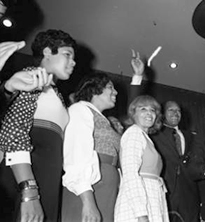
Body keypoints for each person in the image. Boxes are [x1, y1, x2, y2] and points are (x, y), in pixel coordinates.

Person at [0, 29, 77, 222]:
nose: (73, 62)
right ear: (46, 52)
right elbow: (14, 130)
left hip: (47, 175)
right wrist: (29, 191)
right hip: (26, 174)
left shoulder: (56, 94)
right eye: (67, 55)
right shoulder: (30, 77)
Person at [61, 50, 145, 222]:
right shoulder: (80, 110)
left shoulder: (104, 120)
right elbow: (77, 155)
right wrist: (88, 202)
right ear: (94, 89)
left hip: (106, 185)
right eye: (110, 87)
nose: (115, 92)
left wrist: (137, 76)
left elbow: (133, 119)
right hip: (89, 188)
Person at [114, 95, 169, 222]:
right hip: (139, 202)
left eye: (153, 110)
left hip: (151, 198)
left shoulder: (144, 137)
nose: (149, 113)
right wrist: (141, 213)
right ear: (133, 114)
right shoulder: (133, 134)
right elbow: (130, 174)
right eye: (143, 109)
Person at [151, 101, 200, 222]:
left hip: (190, 192)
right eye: (171, 110)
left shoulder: (191, 136)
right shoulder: (154, 134)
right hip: (167, 191)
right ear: (162, 114)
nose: (175, 113)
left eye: (178, 110)